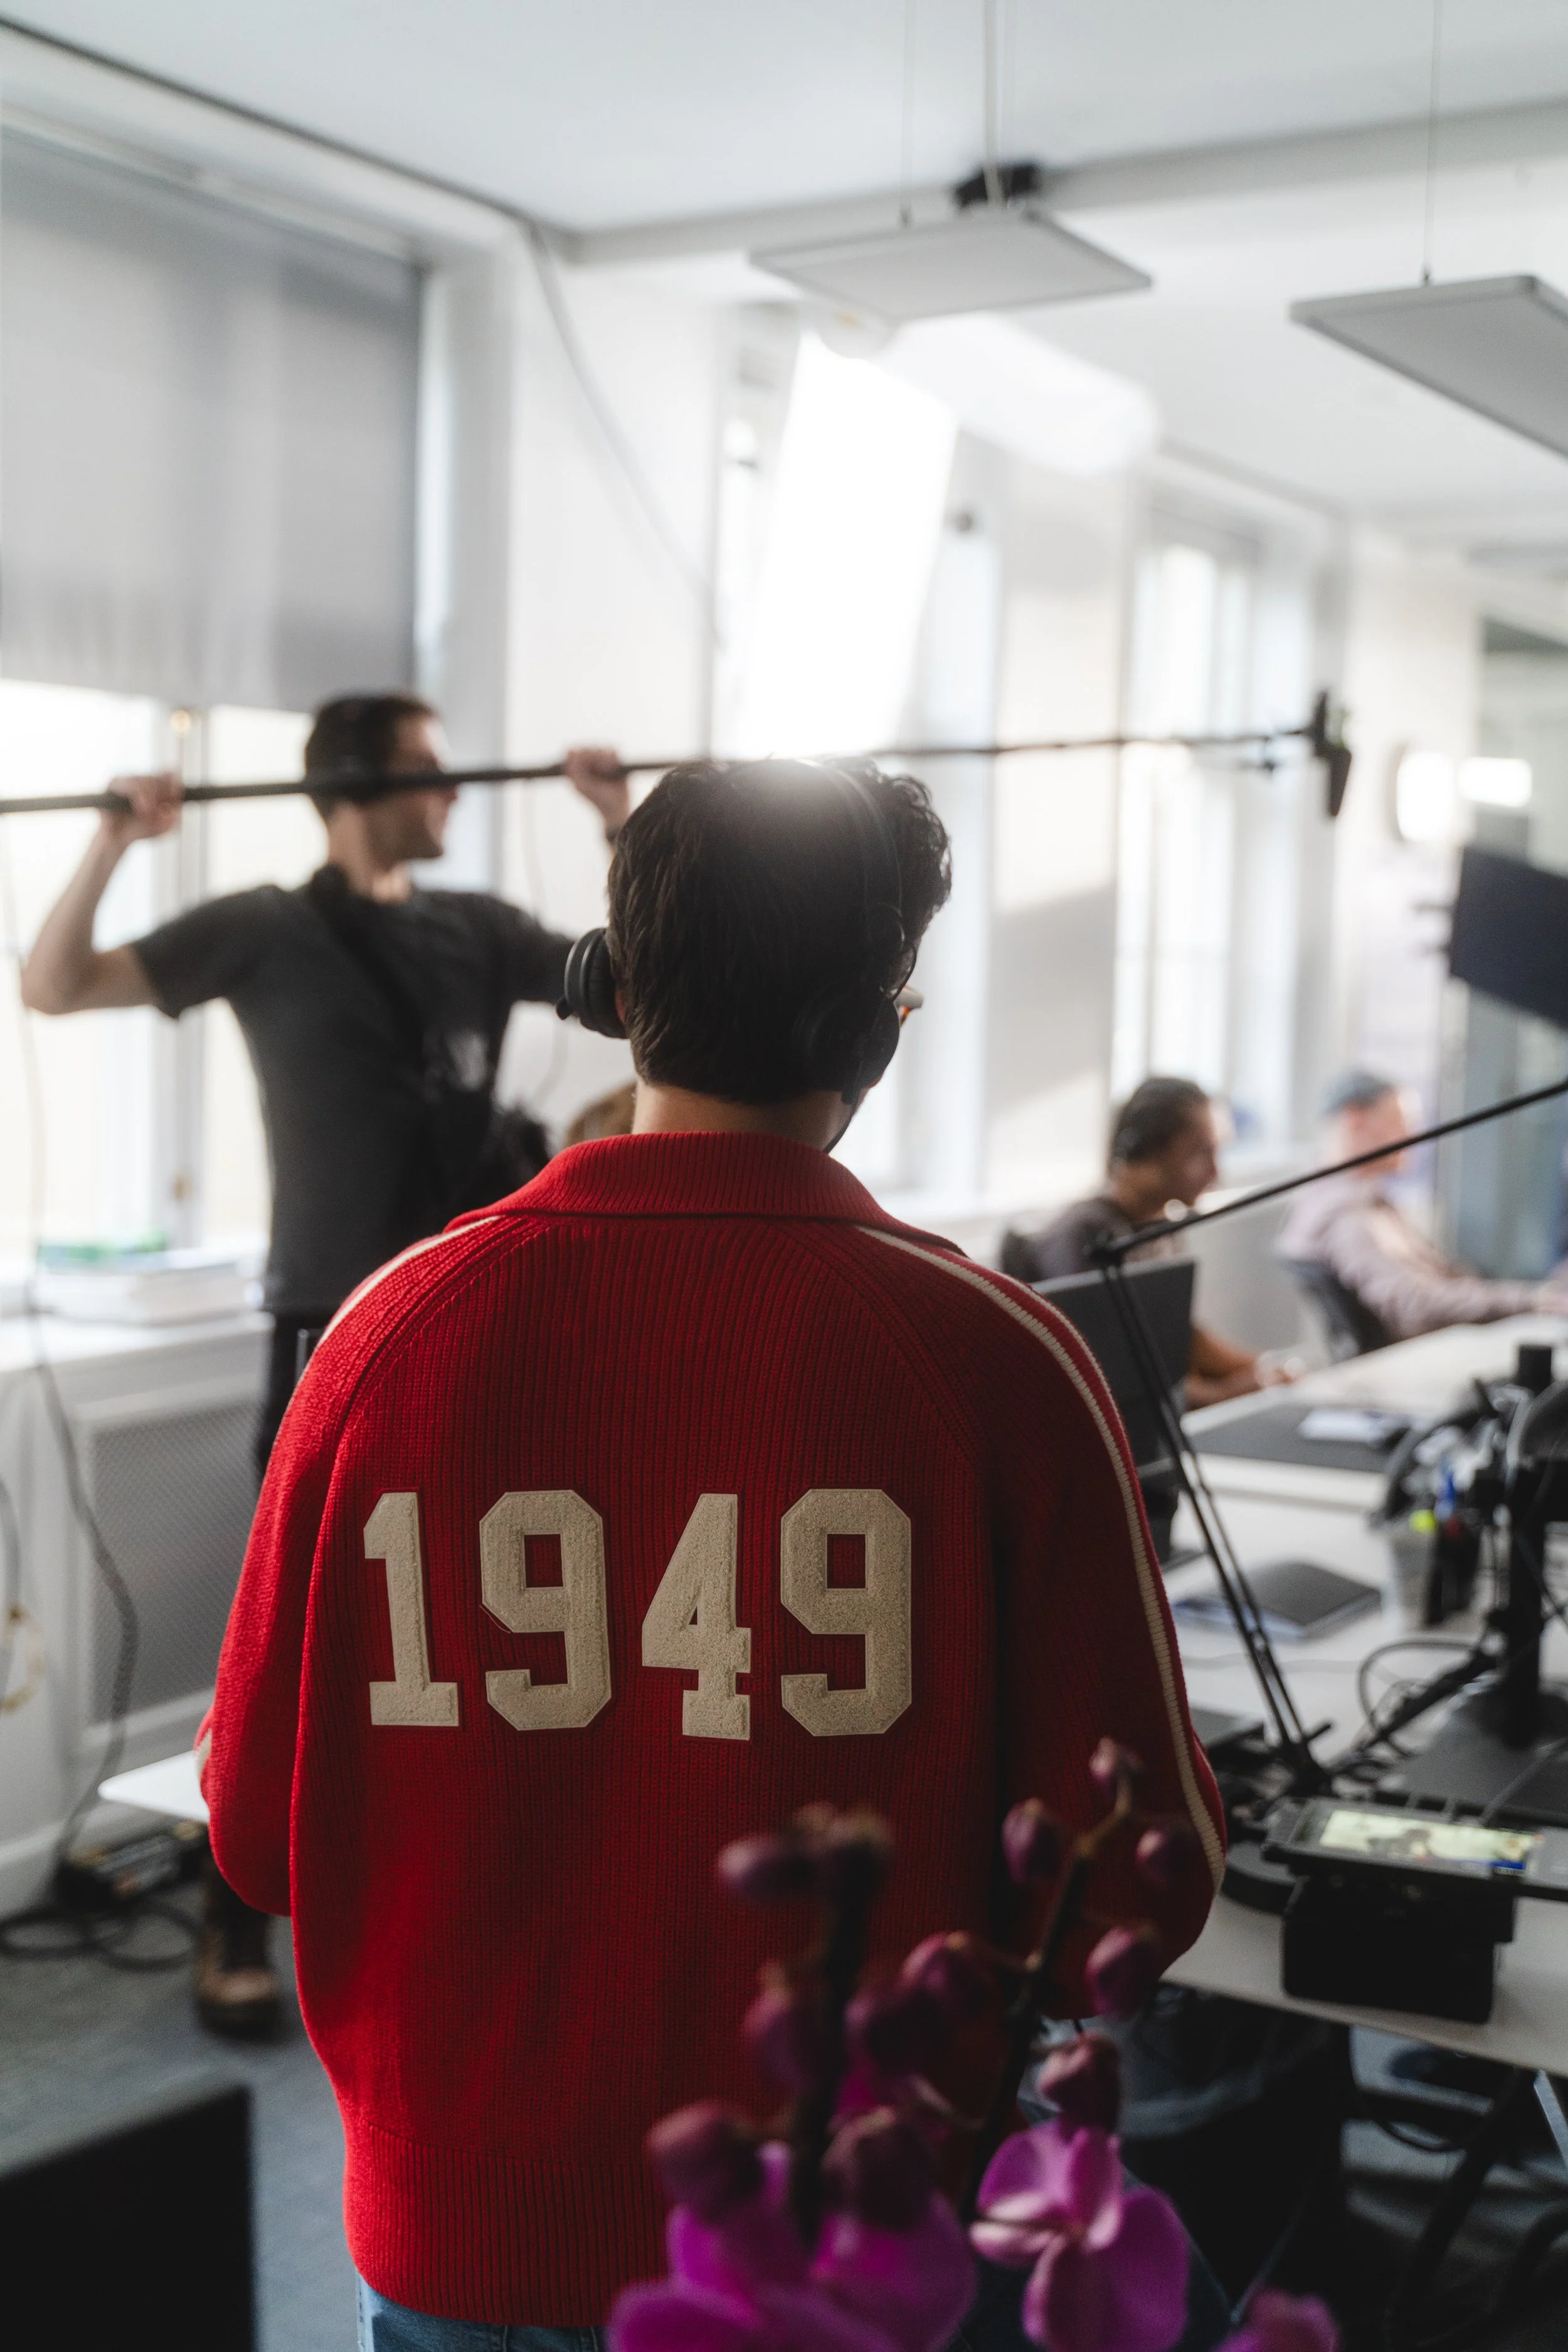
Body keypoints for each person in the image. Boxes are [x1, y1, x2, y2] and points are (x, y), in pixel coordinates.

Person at [198, 757, 1226, 2349]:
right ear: (868, 1034)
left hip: (447, 2238)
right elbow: (1138, 1902)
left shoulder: (379, 1338)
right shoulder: (1003, 1363)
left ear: (614, 990)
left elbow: (259, 1838)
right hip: (838, 2263)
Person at [21, 692, 630, 2038]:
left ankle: (460, 1905)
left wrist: (620, 825)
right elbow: (53, 986)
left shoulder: (475, 930)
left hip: (475, 1327)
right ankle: (237, 1919)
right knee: (295, 1640)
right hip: (325, 1338)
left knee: (488, 1623)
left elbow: (648, 984)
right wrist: (118, 838)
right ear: (353, 780)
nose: (454, 790)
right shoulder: (263, 929)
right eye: (427, 767)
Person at [1002, 1076, 1293, 1408]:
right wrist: (1240, 1390)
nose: (1216, 1173)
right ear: (1148, 1149)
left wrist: (1265, 1368)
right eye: (1202, 1151)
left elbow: (1182, 1335)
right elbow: (1113, 1381)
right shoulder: (1082, 1238)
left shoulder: (1156, 1227)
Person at [1279, 1069, 1568, 1344]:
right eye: (1400, 1121)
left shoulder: (1361, 1199)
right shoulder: (1344, 1216)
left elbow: (1439, 1277)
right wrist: (1534, 1300)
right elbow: (1414, 1306)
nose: (1411, 1136)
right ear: (1356, 1119)